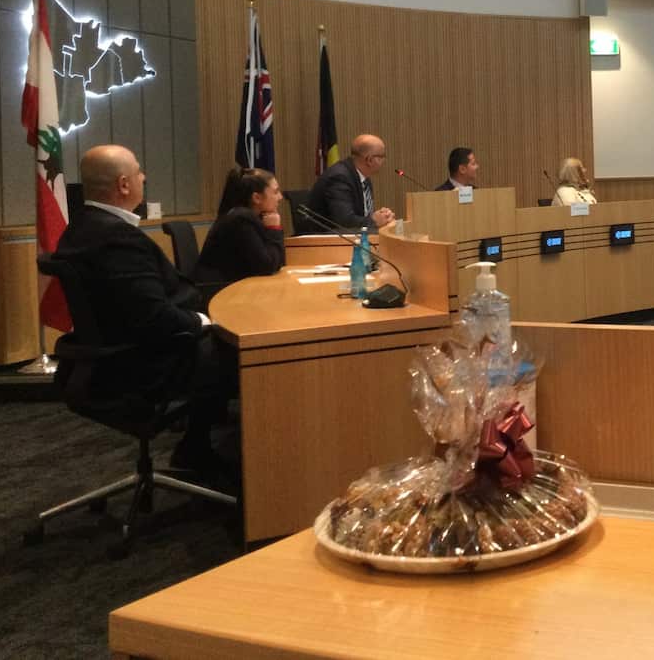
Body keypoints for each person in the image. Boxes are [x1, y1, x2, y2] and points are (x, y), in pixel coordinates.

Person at [52, 145, 236, 474]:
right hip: (137, 364)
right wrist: (202, 321)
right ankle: (201, 451)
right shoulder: (115, 238)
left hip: (108, 356)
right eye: (139, 172)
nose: (144, 177)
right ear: (124, 184)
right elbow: (155, 318)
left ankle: (197, 445)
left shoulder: (81, 228)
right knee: (243, 350)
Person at [193, 167, 287, 299]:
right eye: (275, 192)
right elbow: (267, 267)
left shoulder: (248, 216)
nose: (280, 197)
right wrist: (274, 229)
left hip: (233, 286)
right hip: (219, 291)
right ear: (257, 197)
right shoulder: (240, 220)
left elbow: (277, 263)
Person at [308, 134, 396, 230]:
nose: (384, 161)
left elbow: (361, 215)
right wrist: (374, 221)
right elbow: (344, 221)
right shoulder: (339, 177)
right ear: (369, 160)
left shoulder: (363, 178)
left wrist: (382, 217)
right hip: (324, 240)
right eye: (382, 157)